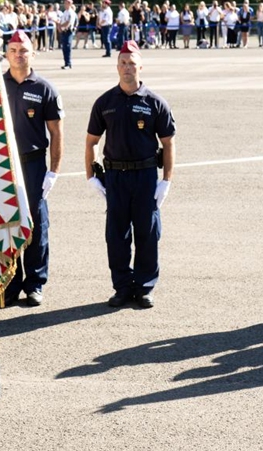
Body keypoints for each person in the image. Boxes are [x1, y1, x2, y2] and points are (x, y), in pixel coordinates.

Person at [84, 40, 175, 309]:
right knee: (117, 235)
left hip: (146, 176)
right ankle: (122, 287)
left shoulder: (155, 102)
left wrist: (166, 181)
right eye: (123, 63)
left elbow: (168, 143)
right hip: (115, 178)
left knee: (147, 234)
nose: (127, 67)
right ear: (117, 66)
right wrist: (91, 174)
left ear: (140, 66)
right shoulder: (105, 102)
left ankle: (145, 286)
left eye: (132, 63)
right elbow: (91, 141)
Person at [0, 30, 64, 307]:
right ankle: (10, 284)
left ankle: (35, 284)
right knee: (6, 223)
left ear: (32, 53)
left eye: (23, 50)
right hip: (4, 164)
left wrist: (53, 171)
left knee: (37, 226)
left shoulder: (44, 88)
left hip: (34, 163)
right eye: (13, 49)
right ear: (6, 54)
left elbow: (56, 133)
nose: (18, 54)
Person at [58, 0, 75, 68]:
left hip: (68, 31)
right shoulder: (65, 12)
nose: (65, 4)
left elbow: (68, 22)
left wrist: (60, 26)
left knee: (67, 47)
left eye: (66, 3)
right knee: (64, 48)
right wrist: (59, 26)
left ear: (70, 3)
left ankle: (68, 63)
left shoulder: (71, 12)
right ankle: (66, 63)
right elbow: (62, 20)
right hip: (64, 31)